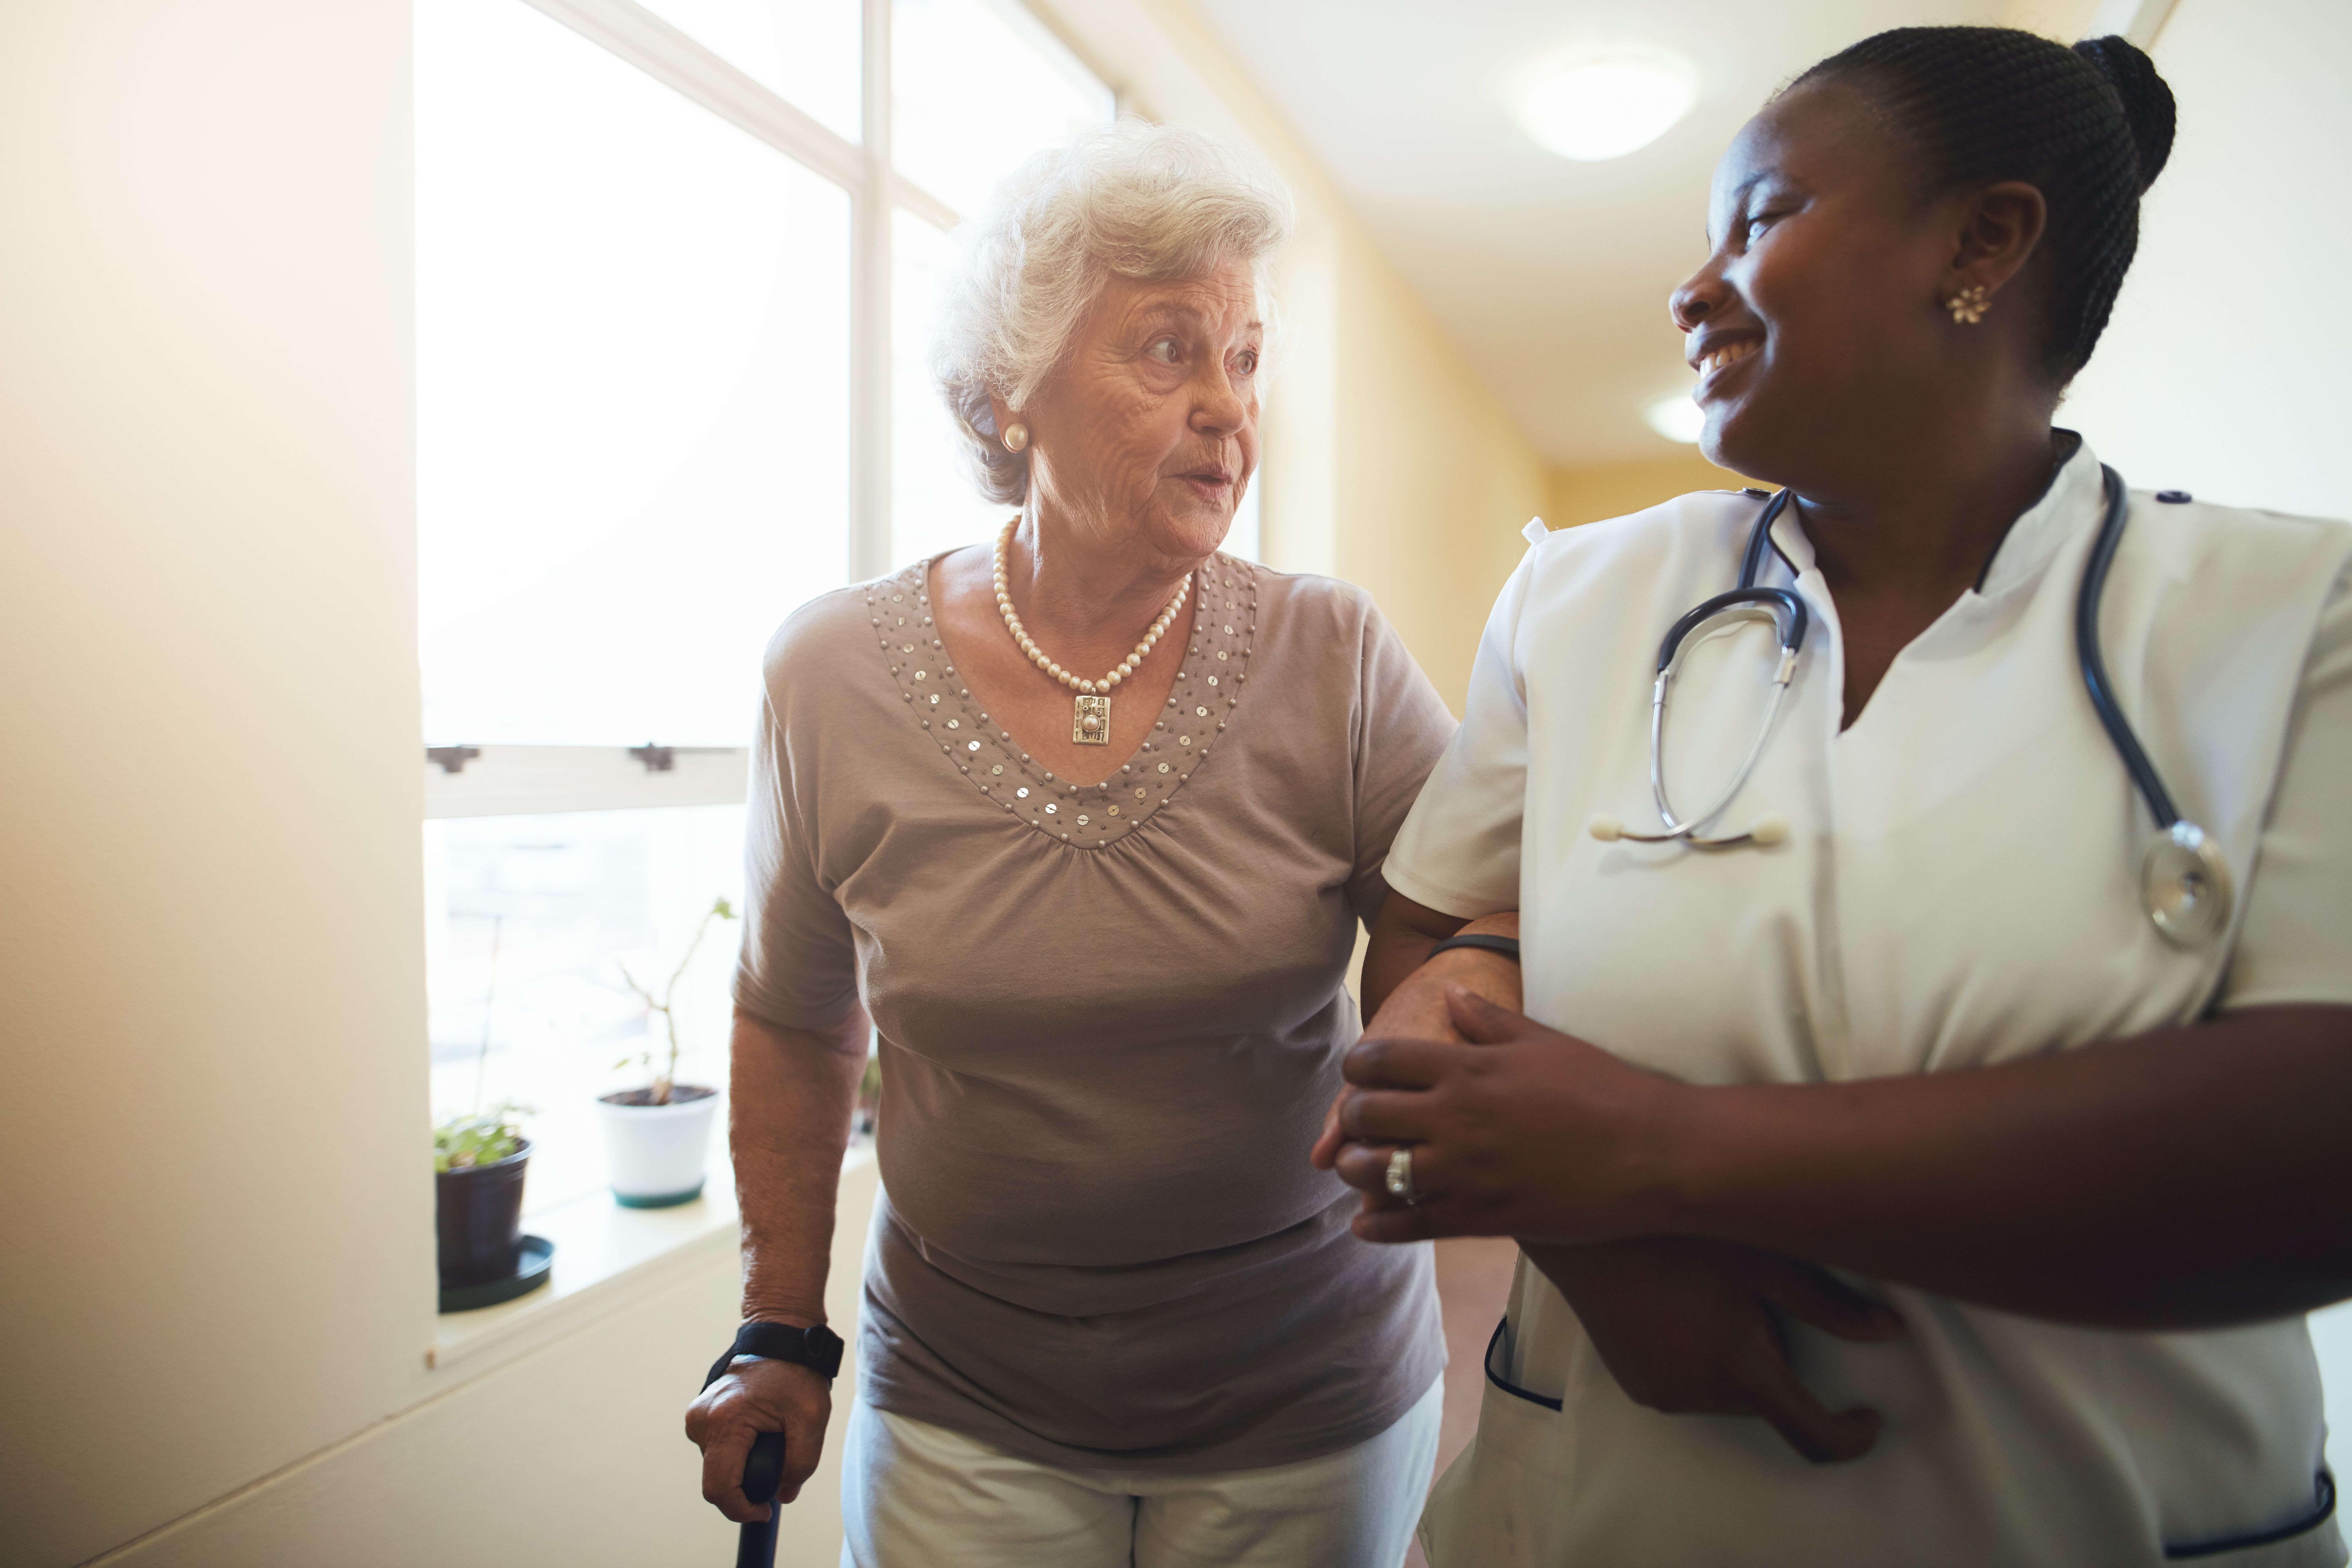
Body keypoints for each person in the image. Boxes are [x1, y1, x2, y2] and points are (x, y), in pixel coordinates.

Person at [1317, 26, 2352, 1567]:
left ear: (1986, 241)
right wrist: (1601, 1257)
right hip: (1620, 1501)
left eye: (1763, 217)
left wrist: (1654, 1153)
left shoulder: (2295, 617)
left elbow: (2310, 1152)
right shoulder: (1588, 600)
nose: (1693, 281)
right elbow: (1420, 942)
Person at [684, 119, 1491, 1568]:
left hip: (1302, 1400)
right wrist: (775, 1325)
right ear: (1006, 394)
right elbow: (794, 1015)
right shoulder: (827, 673)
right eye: (1169, 350)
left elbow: (1459, 910)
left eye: (1244, 360)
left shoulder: (1335, 652)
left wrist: (1432, 1005)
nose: (1229, 412)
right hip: (963, 1404)